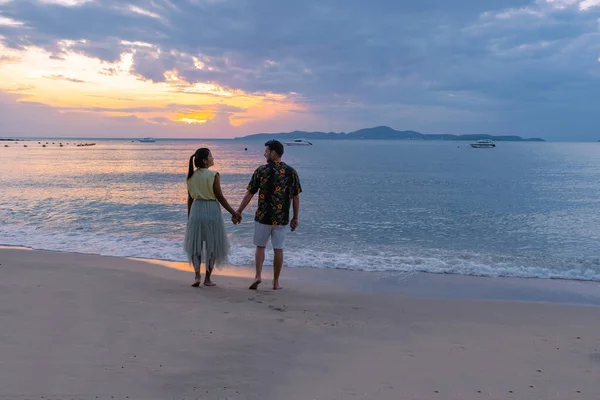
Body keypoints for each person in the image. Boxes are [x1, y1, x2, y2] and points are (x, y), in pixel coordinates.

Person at [235, 140, 302, 290]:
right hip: (281, 218)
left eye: (266, 151)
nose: (264, 153)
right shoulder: (291, 172)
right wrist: (295, 217)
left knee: (260, 246)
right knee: (278, 248)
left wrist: (239, 211)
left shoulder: (261, 171)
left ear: (273, 153)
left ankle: (258, 276)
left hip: (263, 216)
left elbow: (249, 193)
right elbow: (296, 197)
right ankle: (276, 282)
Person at [184, 148, 241, 287]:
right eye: (211, 156)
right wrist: (234, 213)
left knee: (195, 244)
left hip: (196, 210)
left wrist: (189, 215)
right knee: (212, 245)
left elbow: (190, 199)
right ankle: (207, 279)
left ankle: (197, 276)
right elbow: (220, 197)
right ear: (205, 160)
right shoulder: (213, 175)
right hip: (211, 210)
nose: (213, 158)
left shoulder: (190, 176)